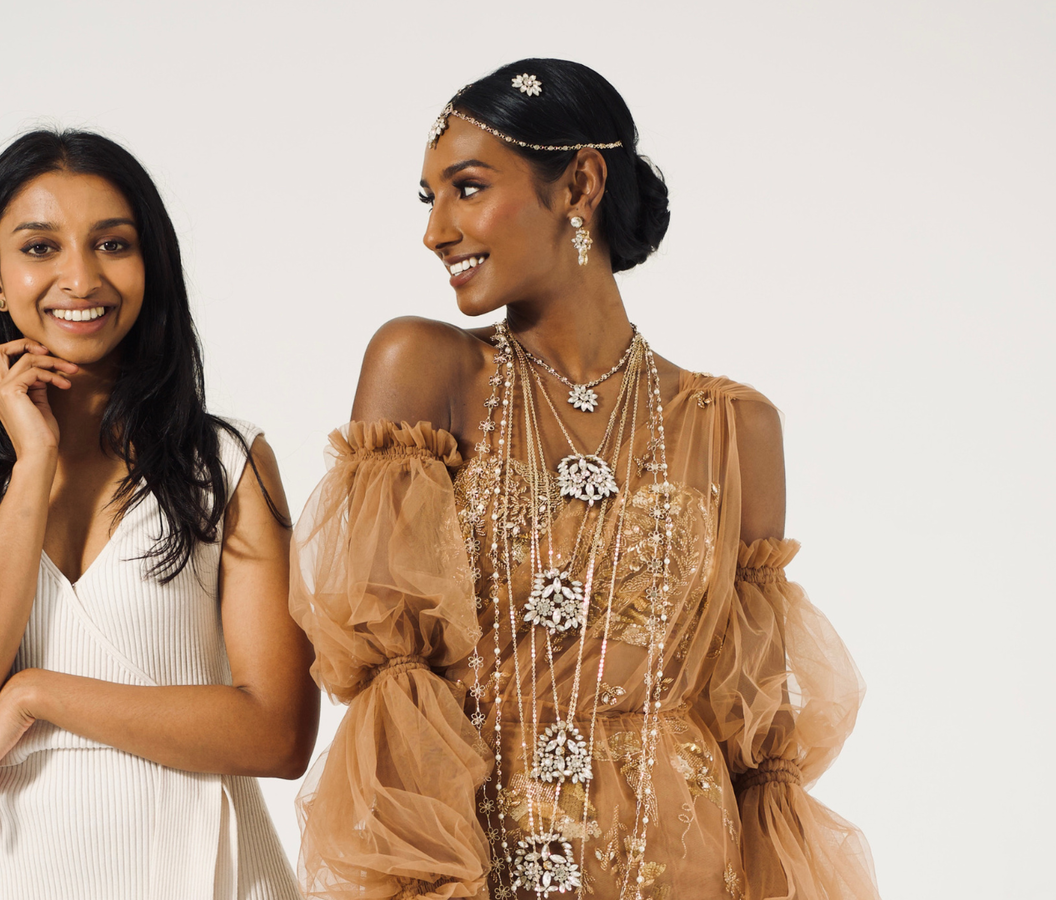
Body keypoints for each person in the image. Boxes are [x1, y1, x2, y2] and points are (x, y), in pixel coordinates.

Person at [288, 60, 880, 900]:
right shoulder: (425, 370)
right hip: (479, 853)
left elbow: (754, 743)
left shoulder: (733, 426)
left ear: (580, 184)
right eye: (431, 199)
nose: (436, 231)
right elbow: (393, 694)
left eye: (466, 188)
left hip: (680, 860)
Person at [0, 129, 317, 900]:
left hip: (212, 876)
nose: (80, 278)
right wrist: (34, 466)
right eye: (41, 247)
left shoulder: (226, 467)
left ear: (150, 264)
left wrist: (35, 696)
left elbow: (279, 732)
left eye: (113, 244)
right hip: (24, 876)